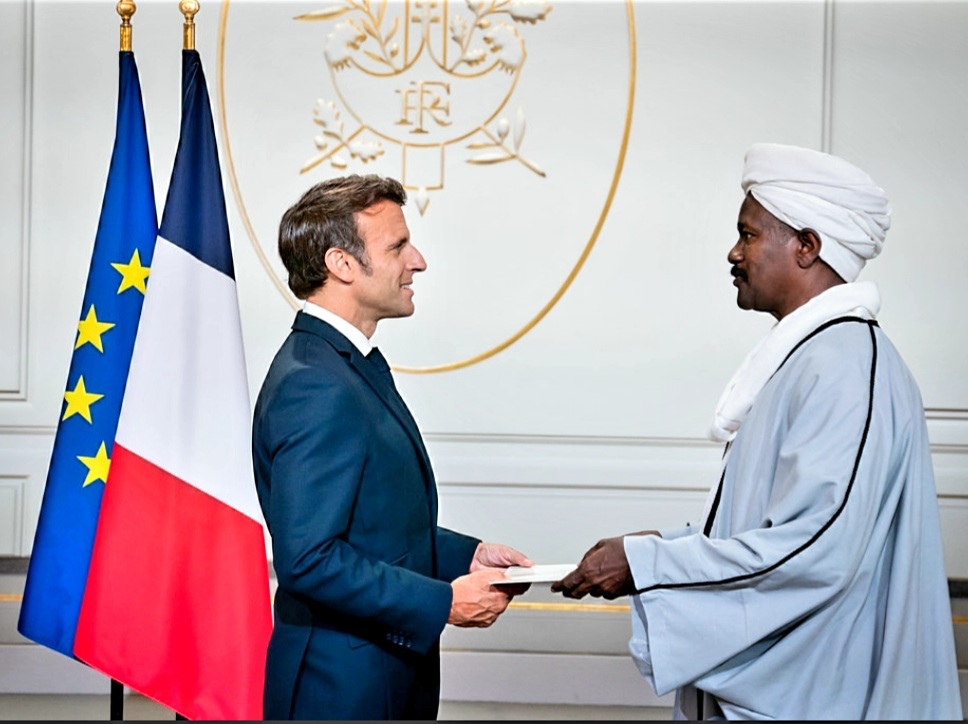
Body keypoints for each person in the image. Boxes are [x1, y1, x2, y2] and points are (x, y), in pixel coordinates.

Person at [552, 143, 964, 720]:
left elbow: (813, 550)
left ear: (807, 246)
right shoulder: (813, 358)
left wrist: (648, 563)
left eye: (748, 235)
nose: (734, 252)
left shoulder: (845, 363)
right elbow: (776, 529)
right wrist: (667, 545)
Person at [252, 174, 532, 720]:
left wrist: (465, 556)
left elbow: (372, 525)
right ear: (342, 264)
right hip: (341, 690)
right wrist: (443, 601)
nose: (417, 261)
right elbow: (309, 559)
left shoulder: (341, 366)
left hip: (372, 678)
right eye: (398, 247)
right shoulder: (316, 382)